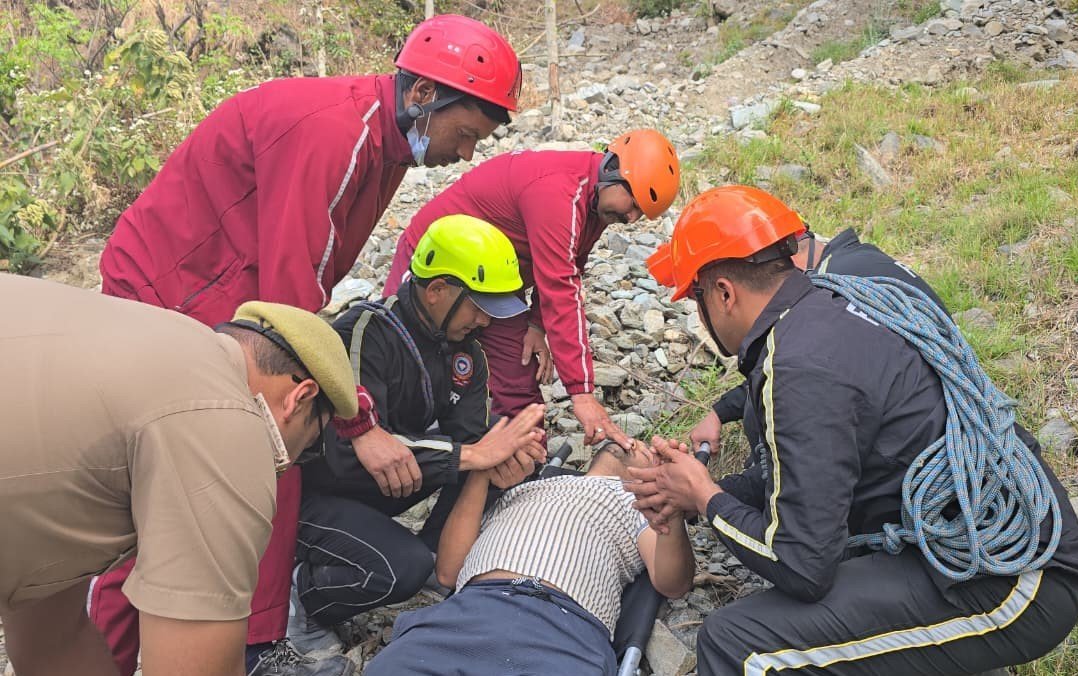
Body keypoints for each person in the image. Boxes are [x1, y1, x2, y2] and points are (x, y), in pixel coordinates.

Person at [91, 15, 522, 676]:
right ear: (422, 96)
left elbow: (307, 283)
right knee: (169, 491)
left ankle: (255, 642)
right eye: (464, 134)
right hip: (170, 297)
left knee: (272, 464)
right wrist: (360, 425)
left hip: (234, 297)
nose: (465, 154)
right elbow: (292, 309)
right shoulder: (335, 134)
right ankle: (104, 649)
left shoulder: (385, 146)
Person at [629, 186, 1078, 675]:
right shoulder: (828, 309)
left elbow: (801, 565)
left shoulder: (799, 365)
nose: (700, 314)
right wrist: (691, 491)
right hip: (985, 550)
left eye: (696, 298)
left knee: (737, 643)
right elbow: (793, 475)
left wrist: (707, 497)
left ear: (724, 293)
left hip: (1014, 579)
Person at [0, 273, 357, 676]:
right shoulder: (224, 421)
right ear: (300, 398)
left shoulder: (148, 346)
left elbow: (54, 641)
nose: (290, 466)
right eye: (310, 446)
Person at [263, 215, 548, 675]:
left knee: (495, 446)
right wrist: (472, 455)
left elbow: (470, 439)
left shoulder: (466, 352)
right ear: (436, 290)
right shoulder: (365, 331)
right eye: (479, 306)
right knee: (399, 568)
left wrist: (508, 457)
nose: (484, 320)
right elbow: (344, 452)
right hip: (319, 491)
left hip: (386, 485)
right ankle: (301, 594)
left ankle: (437, 558)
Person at [383, 129, 682, 451]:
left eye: (640, 214)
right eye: (634, 204)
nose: (631, 218)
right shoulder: (559, 192)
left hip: (495, 280)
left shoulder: (597, 202)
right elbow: (561, 288)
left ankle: (526, 466)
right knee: (404, 360)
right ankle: (393, 449)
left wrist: (537, 325)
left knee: (519, 377)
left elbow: (571, 262)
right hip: (437, 264)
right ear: (613, 169)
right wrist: (581, 393)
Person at [363, 438, 695, 676]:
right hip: (466, 613)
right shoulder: (525, 488)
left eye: (646, 449)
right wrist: (481, 475)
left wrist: (670, 509)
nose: (634, 443)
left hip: (559, 627)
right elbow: (449, 572)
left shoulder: (640, 503)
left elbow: (672, 583)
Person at [664, 223, 949, 454]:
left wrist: (705, 495)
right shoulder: (857, 263)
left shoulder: (833, 298)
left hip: (911, 455)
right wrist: (721, 411)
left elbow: (800, 377)